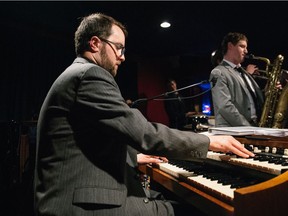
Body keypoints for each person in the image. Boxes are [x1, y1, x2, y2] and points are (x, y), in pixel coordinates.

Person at [34, 14, 254, 216]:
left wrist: (132, 156)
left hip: (73, 191)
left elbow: (91, 139)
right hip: (79, 204)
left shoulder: (76, 73)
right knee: (200, 209)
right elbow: (146, 134)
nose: (122, 57)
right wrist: (209, 141)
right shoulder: (90, 75)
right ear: (94, 43)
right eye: (118, 48)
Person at [209, 32, 265, 127]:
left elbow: (252, 99)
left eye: (246, 47)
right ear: (230, 46)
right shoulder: (218, 72)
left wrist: (269, 90)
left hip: (254, 128)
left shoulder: (244, 72)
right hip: (235, 131)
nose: (246, 51)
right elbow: (225, 106)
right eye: (242, 46)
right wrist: (248, 127)